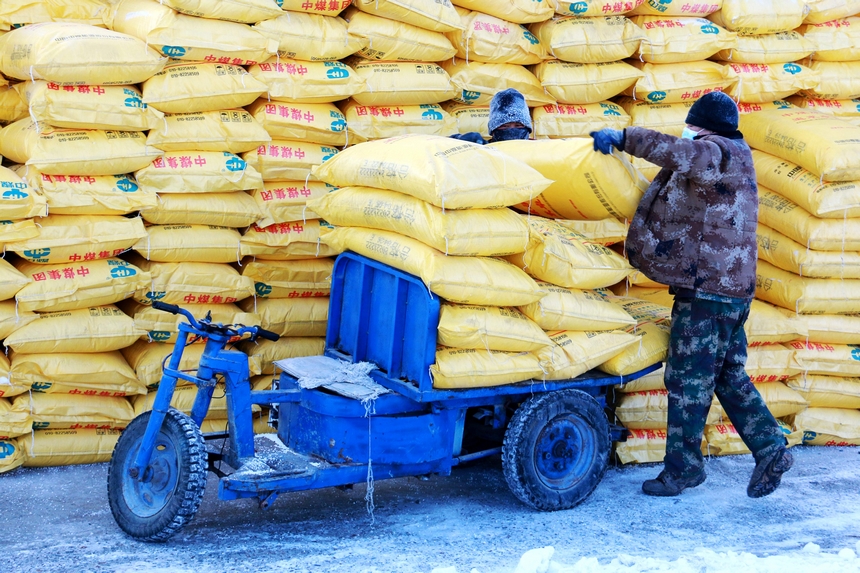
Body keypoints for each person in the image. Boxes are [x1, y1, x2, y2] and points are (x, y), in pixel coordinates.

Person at [590, 91, 793, 498]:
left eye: (693, 127)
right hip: (730, 291)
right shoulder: (736, 155)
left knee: (687, 379)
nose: (690, 133)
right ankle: (770, 447)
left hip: (709, 293)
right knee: (726, 374)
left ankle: (682, 470)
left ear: (703, 126)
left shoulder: (716, 153)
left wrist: (626, 137)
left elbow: (680, 153)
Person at [450, 88, 532, 144]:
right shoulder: (485, 150)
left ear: (528, 128)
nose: (512, 130)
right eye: (504, 126)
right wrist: (459, 140)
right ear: (493, 130)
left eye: (518, 125)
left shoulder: (537, 150)